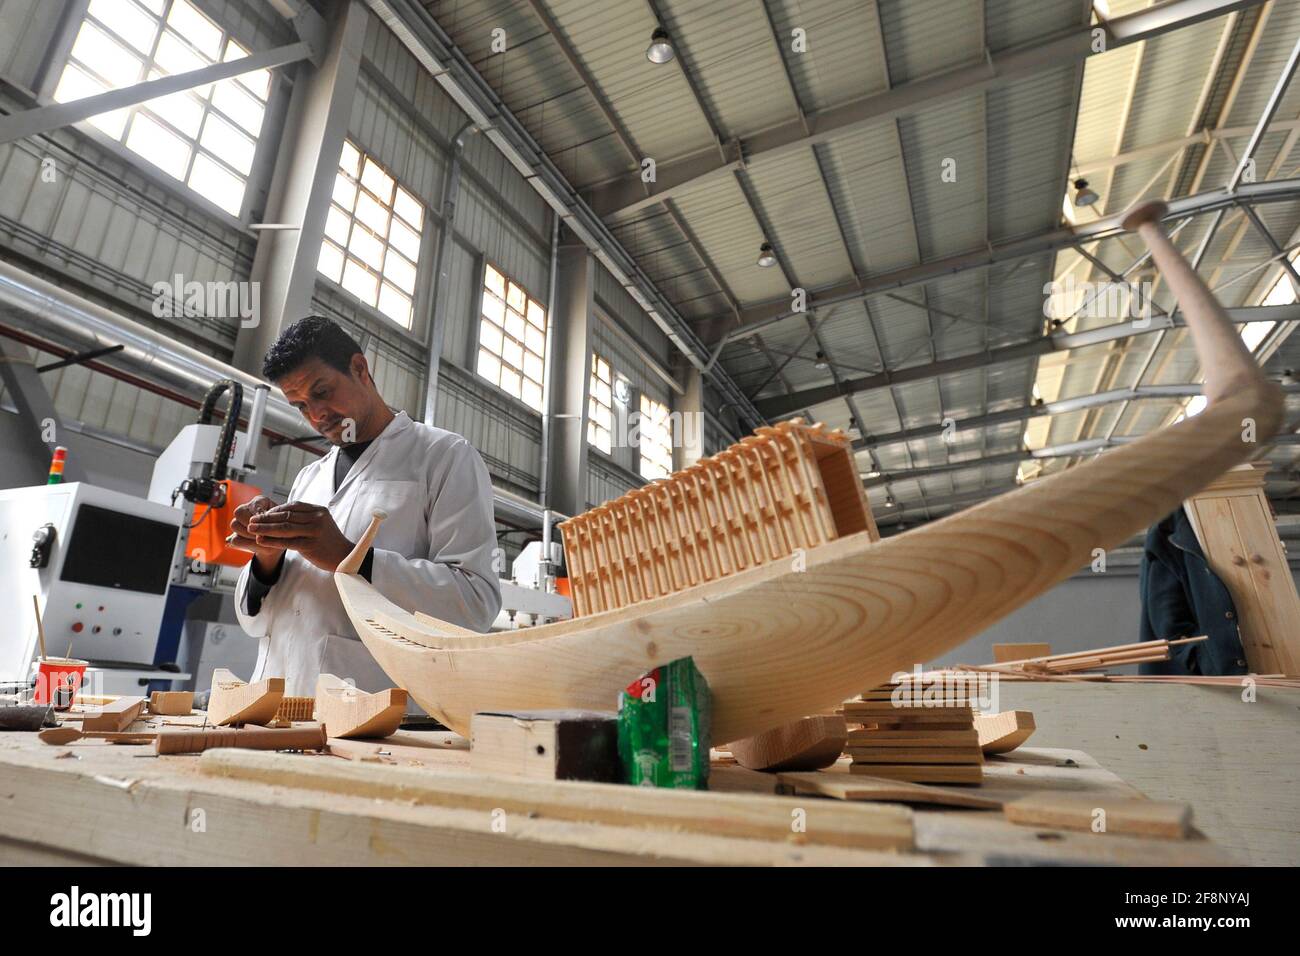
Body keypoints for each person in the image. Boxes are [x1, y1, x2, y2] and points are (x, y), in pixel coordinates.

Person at [228, 316, 501, 695]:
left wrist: (353, 558)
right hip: (280, 704)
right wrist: (266, 562)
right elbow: (258, 621)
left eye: (322, 392)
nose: (317, 415)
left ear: (360, 368)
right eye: (301, 406)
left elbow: (475, 605)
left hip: (373, 712)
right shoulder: (310, 478)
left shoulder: (443, 456)